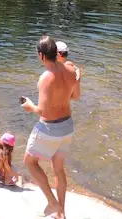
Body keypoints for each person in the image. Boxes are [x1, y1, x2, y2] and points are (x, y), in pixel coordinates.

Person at [21, 35, 81, 219]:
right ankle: (61, 213)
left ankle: (52, 201)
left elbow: (43, 112)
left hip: (50, 128)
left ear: (41, 56)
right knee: (59, 169)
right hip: (67, 126)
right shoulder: (71, 70)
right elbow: (75, 96)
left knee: (29, 162)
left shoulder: (45, 77)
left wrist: (29, 106)